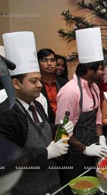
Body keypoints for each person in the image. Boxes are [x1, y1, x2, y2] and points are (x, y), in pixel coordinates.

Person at [0, 31, 73, 195]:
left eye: (39, 79)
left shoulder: (37, 104)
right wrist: (47, 152)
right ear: (16, 83)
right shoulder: (6, 113)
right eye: (34, 81)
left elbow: (43, 131)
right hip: (26, 187)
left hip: (51, 182)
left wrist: (60, 129)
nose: (40, 85)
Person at [55, 27, 107, 185]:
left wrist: (100, 137)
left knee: (93, 185)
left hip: (92, 147)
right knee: (77, 187)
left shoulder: (94, 87)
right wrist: (84, 148)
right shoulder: (70, 92)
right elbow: (61, 128)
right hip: (74, 153)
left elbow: (98, 116)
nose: (104, 72)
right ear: (89, 70)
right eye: (100, 69)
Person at [37, 48, 68, 124]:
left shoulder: (64, 83)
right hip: (44, 124)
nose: (49, 63)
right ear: (38, 63)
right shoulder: (36, 84)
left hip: (64, 124)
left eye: (52, 60)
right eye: (44, 60)